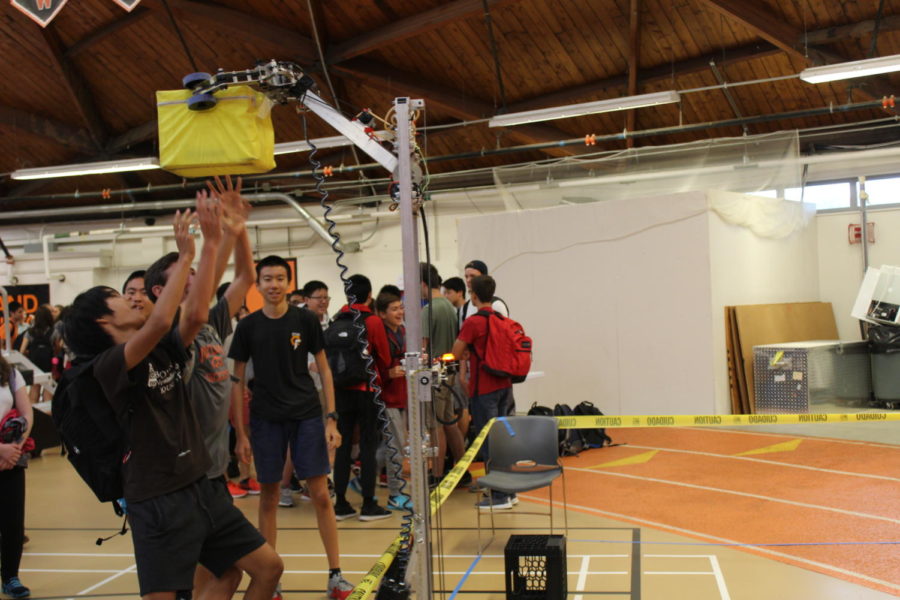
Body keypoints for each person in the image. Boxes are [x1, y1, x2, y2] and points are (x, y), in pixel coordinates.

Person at [63, 200, 282, 600]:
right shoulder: (107, 366)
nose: (131, 298)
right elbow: (167, 319)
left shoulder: (162, 346)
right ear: (102, 321)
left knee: (266, 569)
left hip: (200, 483)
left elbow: (195, 313)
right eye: (118, 295)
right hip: (157, 497)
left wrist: (220, 238)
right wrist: (190, 251)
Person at [143, 175, 257, 598]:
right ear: (163, 290)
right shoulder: (174, 335)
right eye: (185, 274)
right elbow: (197, 303)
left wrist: (236, 231)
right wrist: (214, 240)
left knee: (223, 575)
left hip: (213, 470)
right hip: (186, 477)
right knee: (216, 575)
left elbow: (244, 279)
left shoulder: (209, 323)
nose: (196, 277)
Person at [228, 255, 353, 600]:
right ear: (258, 284)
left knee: (320, 495)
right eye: (267, 279)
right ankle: (271, 579)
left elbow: (325, 371)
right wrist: (240, 433)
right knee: (268, 497)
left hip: (306, 416)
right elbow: (237, 381)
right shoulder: (248, 326)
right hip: (266, 419)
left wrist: (332, 418)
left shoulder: (306, 320)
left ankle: (336, 576)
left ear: (288, 282)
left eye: (280, 278)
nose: (274, 285)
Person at [451, 274, 516, 510]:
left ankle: (498, 496)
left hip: (484, 388)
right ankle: (510, 492)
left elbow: (455, 352)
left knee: (489, 441)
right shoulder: (502, 319)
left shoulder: (474, 322)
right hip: (505, 387)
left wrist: (462, 353)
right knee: (505, 440)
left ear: (473, 296)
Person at [331, 274, 392, 522]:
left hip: (341, 392)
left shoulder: (337, 320)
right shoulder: (373, 321)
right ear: (369, 296)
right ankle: (369, 504)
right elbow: (385, 359)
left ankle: (341, 503)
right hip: (367, 391)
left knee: (343, 446)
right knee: (368, 445)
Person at [419, 263, 467, 486]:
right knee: (449, 422)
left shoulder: (429, 310)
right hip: (450, 372)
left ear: (422, 284)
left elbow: (424, 347)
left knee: (435, 424)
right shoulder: (449, 307)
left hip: (436, 374)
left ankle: (437, 475)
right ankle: (462, 469)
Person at [0, 354, 33, 599]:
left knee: (13, 522)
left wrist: (15, 448)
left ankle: (11, 577)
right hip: (4, 452)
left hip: (10, 459)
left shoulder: (9, 373)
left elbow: (27, 414)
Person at [374, 291, 411, 510]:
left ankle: (364, 474)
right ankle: (396, 494)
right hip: (387, 398)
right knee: (395, 447)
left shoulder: (405, 331)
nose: (399, 312)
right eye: (394, 309)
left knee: (386, 447)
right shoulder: (379, 335)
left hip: (403, 396)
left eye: (401, 307)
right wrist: (389, 373)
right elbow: (375, 368)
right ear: (382, 313)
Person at [19, 305, 54, 404]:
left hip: (34, 364)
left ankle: (35, 416)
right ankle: (48, 417)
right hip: (49, 365)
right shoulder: (53, 331)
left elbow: (21, 350)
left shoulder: (30, 332)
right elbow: (56, 349)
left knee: (34, 390)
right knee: (48, 392)